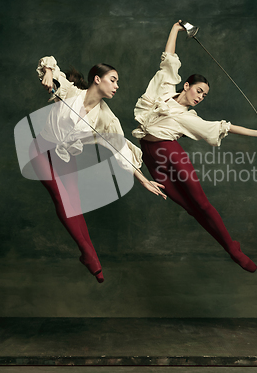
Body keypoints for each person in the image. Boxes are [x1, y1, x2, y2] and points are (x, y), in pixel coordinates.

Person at [132, 21, 257, 273]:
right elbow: (170, 59)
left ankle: (233, 249)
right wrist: (176, 28)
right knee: (189, 209)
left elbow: (222, 127)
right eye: (199, 90)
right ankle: (230, 245)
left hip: (170, 153)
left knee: (202, 204)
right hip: (150, 158)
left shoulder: (190, 118)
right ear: (186, 85)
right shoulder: (164, 89)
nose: (200, 97)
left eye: (204, 95)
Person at [30, 56, 165, 284]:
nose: (117, 86)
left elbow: (121, 149)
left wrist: (143, 180)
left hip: (65, 159)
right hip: (41, 151)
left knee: (75, 207)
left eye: (117, 82)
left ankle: (87, 254)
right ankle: (90, 257)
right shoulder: (71, 92)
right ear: (97, 79)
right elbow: (48, 62)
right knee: (61, 197)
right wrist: (48, 72)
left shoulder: (106, 119)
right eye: (113, 80)